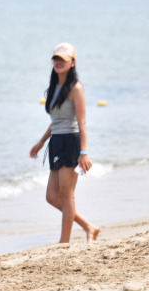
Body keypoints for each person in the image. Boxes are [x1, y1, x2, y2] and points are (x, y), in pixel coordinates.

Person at [29, 43, 100, 243]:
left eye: (63, 59)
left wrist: (84, 152)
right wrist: (41, 142)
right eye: (56, 59)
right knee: (52, 196)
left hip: (71, 141)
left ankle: (64, 243)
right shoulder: (54, 88)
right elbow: (56, 121)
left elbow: (82, 121)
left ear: (73, 63)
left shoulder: (75, 88)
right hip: (56, 142)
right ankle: (89, 227)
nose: (58, 62)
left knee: (66, 195)